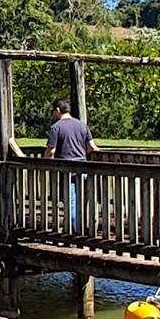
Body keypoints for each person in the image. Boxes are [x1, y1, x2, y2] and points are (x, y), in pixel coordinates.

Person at [44, 98, 98, 230]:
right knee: (83, 202)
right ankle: (85, 229)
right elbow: (92, 147)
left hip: (66, 170)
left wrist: (45, 163)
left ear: (57, 110)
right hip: (83, 168)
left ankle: (74, 232)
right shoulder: (82, 125)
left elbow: (51, 151)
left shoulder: (56, 128)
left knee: (70, 203)